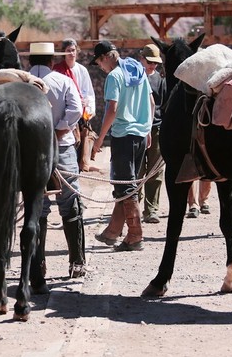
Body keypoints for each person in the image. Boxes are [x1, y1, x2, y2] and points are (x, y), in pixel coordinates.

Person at [24, 42, 85, 278]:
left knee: (36, 206)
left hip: (30, 150)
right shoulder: (63, 81)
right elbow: (76, 109)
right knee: (71, 200)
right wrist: (59, 129)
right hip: (62, 147)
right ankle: (77, 262)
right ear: (51, 61)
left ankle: (38, 266)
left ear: (30, 61)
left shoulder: (20, 83)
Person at [90, 40, 153, 252]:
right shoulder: (139, 72)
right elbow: (152, 103)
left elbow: (112, 109)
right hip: (141, 135)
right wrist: (148, 130)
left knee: (125, 185)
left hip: (123, 136)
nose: (100, 66)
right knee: (128, 184)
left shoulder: (115, 76)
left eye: (99, 61)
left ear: (107, 56)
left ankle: (135, 236)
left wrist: (99, 139)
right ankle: (112, 232)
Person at [53, 38, 99, 172]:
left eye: (73, 50)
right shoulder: (57, 70)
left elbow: (89, 92)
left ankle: (82, 166)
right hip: (65, 113)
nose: (71, 53)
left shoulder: (82, 70)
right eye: (68, 51)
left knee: (83, 141)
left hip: (80, 113)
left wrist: (87, 103)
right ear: (63, 53)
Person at [137, 43, 166, 223]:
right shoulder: (135, 78)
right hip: (138, 129)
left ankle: (151, 209)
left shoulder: (159, 80)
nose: (152, 65)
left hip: (156, 128)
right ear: (142, 59)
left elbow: (162, 105)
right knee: (138, 171)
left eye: (155, 63)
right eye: (149, 61)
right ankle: (133, 207)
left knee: (155, 171)